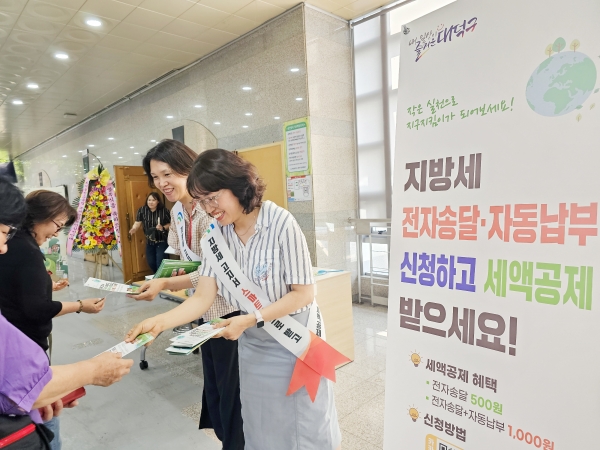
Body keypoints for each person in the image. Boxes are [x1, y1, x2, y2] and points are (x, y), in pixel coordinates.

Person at [126, 149, 341, 450]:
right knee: (258, 423)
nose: (209, 208)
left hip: (295, 341)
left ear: (238, 185)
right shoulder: (215, 236)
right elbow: (203, 296)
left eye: (213, 198)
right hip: (253, 345)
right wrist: (159, 322)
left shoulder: (281, 222)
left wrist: (251, 319)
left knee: (304, 424)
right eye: (202, 201)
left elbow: (303, 294)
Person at [0, 177, 133, 448]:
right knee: (45, 421)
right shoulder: (25, 250)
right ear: (40, 216)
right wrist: (81, 307)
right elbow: (28, 385)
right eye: (57, 225)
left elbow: (14, 290)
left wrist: (45, 285)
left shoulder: (16, 245)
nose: (3, 246)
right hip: (26, 340)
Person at [128, 140, 244, 449]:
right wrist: (162, 280)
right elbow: (185, 260)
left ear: (189, 169)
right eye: (155, 177)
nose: (162, 183)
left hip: (231, 313)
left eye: (168, 174)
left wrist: (165, 284)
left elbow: (213, 273)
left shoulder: (215, 211)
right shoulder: (178, 210)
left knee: (234, 394)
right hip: (203, 310)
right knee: (216, 388)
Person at [128, 192, 171, 273]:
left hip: (162, 240)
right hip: (149, 241)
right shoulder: (142, 210)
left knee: (160, 262)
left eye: (153, 200)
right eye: (149, 200)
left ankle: (160, 278)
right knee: (151, 262)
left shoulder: (164, 211)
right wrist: (134, 228)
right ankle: (157, 275)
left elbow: (171, 223)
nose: (151, 202)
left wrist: (163, 227)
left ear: (158, 201)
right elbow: (137, 222)